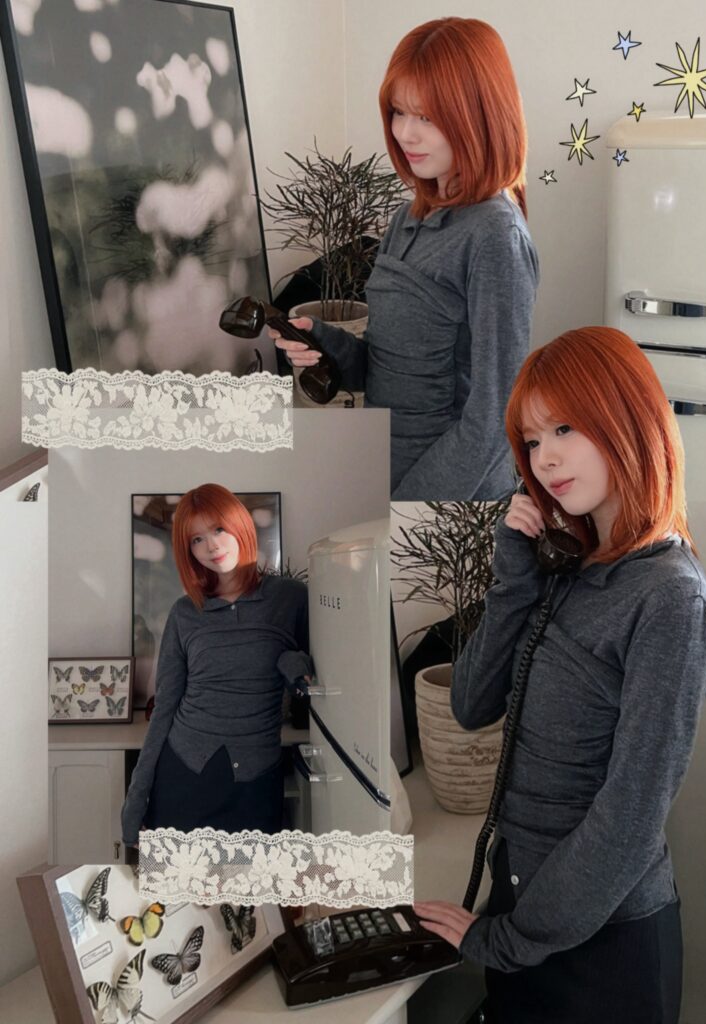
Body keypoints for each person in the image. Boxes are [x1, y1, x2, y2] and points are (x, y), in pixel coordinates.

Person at [413, 327, 706, 1023]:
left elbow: (631, 817)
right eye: (530, 441)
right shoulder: (570, 568)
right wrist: (515, 577)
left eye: (563, 428)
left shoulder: (671, 598)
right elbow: (469, 704)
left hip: (600, 946)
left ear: (626, 419)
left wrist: (508, 940)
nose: (544, 458)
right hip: (525, 905)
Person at [270, 17, 538, 501]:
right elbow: (390, 370)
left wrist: (409, 508)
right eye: (398, 112)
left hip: (452, 498)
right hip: (386, 468)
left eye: (427, 117)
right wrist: (325, 343)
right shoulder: (407, 218)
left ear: (480, 116)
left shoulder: (495, 235)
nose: (405, 133)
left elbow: (498, 415)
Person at [121, 484, 311, 846]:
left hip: (255, 782)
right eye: (197, 539)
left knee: (250, 879)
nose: (211, 546)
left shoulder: (290, 599)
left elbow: (325, 669)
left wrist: (291, 661)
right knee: (181, 882)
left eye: (219, 529)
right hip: (182, 774)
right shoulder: (185, 613)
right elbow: (165, 707)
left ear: (240, 525)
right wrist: (136, 798)